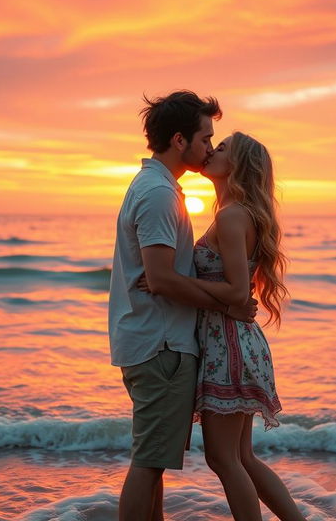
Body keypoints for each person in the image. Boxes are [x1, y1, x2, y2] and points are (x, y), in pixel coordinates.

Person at [108, 91, 258, 521]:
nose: (210, 147)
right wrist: (230, 302)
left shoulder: (158, 188)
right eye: (205, 138)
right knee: (150, 462)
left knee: (153, 463)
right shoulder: (158, 194)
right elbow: (160, 279)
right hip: (162, 346)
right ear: (179, 140)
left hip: (153, 342)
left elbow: (162, 277)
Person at [141, 131, 304, 521]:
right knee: (241, 457)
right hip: (235, 341)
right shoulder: (235, 212)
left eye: (224, 148)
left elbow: (235, 291)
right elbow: (236, 294)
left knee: (223, 457)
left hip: (227, 344)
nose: (213, 150)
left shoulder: (232, 216)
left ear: (239, 165)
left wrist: (168, 282)